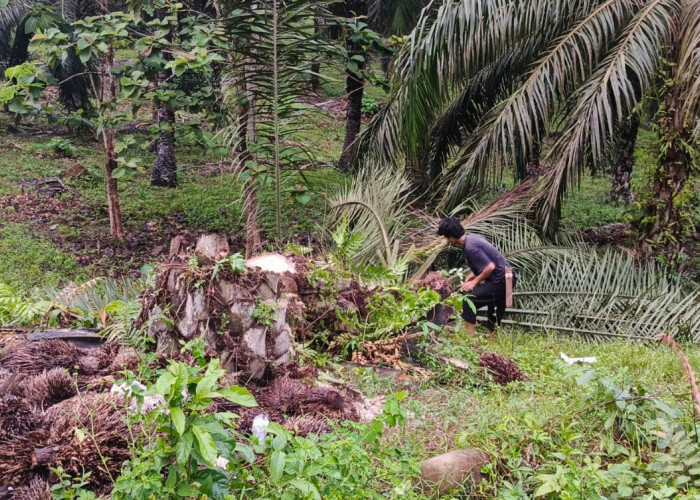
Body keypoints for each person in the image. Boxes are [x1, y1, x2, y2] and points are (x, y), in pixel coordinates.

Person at [437, 217, 516, 336]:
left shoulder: (470, 247)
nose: (446, 240)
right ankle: (493, 338)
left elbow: (490, 267)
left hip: (501, 279)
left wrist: (473, 283)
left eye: (446, 237)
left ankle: (470, 337)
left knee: (469, 299)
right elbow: (486, 261)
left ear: (451, 236)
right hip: (509, 276)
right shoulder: (473, 238)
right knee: (495, 307)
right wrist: (472, 275)